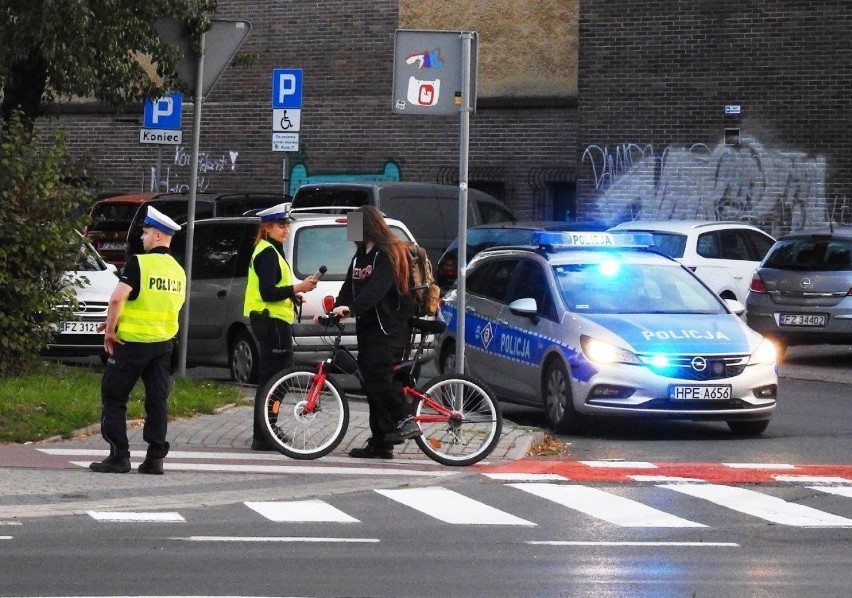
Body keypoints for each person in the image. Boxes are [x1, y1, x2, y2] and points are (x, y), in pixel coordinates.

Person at [89, 206, 186, 475]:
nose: (142, 237)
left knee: (114, 396)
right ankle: (155, 459)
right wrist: (114, 320)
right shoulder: (178, 271)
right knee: (157, 401)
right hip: (163, 344)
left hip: (130, 344)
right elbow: (158, 305)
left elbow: (118, 298)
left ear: (157, 235)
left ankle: (119, 455)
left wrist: (110, 331)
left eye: (145, 232)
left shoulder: (138, 263)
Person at [331, 206, 419, 459]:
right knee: (371, 382)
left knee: (378, 374)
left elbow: (376, 289)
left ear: (368, 225)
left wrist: (353, 308)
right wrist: (336, 309)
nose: (351, 232)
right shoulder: (360, 256)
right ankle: (381, 442)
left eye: (354, 225)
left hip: (389, 327)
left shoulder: (386, 254)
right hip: (368, 328)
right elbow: (350, 286)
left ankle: (405, 417)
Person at [244, 201, 319, 450]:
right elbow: (267, 292)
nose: (286, 230)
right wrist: (298, 287)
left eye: (287, 225)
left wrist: (291, 295)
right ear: (267, 228)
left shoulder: (272, 251)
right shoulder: (266, 252)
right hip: (271, 322)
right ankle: (265, 433)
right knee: (274, 380)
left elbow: (274, 288)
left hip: (274, 321)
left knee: (276, 379)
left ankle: (267, 429)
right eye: (281, 225)